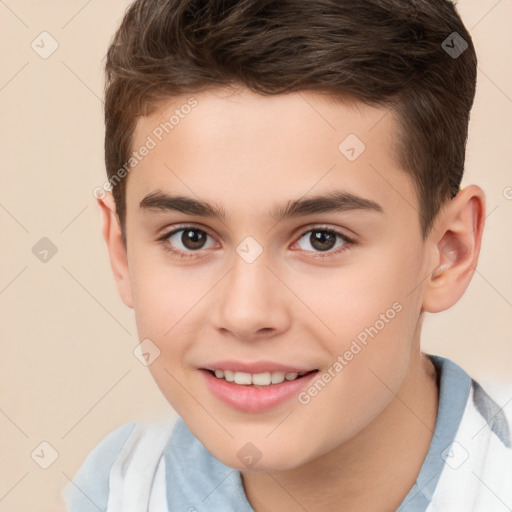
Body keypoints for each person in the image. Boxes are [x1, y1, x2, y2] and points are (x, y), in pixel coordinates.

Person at [63, 0, 512, 510]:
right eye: (191, 237)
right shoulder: (116, 490)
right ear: (121, 250)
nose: (246, 313)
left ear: (449, 252)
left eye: (323, 239)